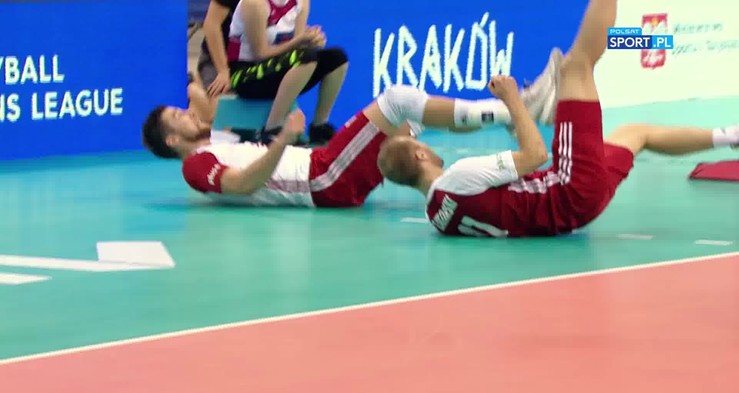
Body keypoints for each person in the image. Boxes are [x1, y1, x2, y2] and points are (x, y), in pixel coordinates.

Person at [377, 0, 739, 237]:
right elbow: (535, 155)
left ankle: (730, 135)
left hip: (574, 212)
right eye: (417, 142)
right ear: (421, 154)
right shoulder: (458, 177)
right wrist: (513, 100)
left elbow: (508, 199)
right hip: (569, 187)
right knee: (575, 66)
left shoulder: (436, 216)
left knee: (635, 132)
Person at [140, 51, 562, 208]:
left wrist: (194, 90)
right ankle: (520, 107)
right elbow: (240, 184)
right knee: (396, 99)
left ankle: (519, 111)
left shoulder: (216, 138)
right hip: (321, 177)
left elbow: (198, 98)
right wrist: (284, 139)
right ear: (173, 141)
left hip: (325, 174)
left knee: (413, 118)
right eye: (179, 117)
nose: (188, 113)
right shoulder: (195, 165)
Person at [228, 0, 349, 145]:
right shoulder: (255, 4)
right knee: (305, 58)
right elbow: (260, 53)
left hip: (277, 69)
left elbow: (299, 46)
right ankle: (272, 129)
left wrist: (312, 41)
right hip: (245, 76)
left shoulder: (301, 2)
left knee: (337, 58)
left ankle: (319, 126)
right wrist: (299, 42)